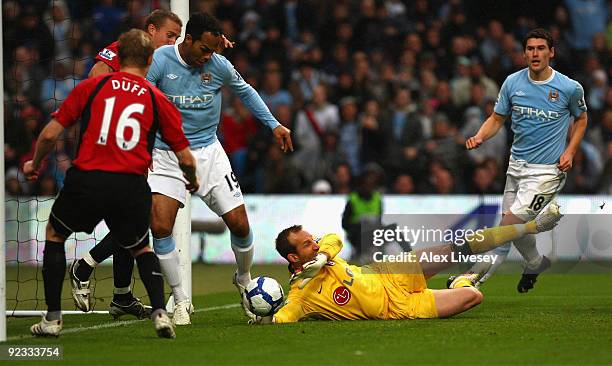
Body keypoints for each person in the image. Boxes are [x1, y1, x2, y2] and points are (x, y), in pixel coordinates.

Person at [74, 12, 293, 326]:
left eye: (212, 50)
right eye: (204, 49)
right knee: (160, 227)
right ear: (187, 40)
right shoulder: (161, 60)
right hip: (166, 154)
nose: (208, 56)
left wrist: (274, 125)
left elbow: (245, 91)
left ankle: (243, 278)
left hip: (208, 152)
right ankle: (180, 299)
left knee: (240, 225)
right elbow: (138, 95)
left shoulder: (218, 64)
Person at [23, 29, 199, 338]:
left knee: (55, 234)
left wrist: (34, 164)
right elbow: (185, 157)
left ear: (119, 57)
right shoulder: (157, 98)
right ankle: (160, 312)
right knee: (141, 247)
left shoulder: (91, 87)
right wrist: (193, 180)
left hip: (87, 179)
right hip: (131, 184)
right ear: (149, 59)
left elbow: (50, 134)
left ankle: (52, 318)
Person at [252, 204, 561, 324]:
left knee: (459, 246)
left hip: (390, 273)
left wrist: (321, 256)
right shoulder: (301, 293)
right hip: (396, 310)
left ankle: (533, 226)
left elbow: (334, 238)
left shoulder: (324, 251)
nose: (315, 244)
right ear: (293, 258)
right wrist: (263, 317)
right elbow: (285, 317)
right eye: (307, 244)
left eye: (312, 239)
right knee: (473, 298)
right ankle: (462, 282)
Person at [464, 28, 588, 292]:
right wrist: (479, 136)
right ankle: (534, 262)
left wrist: (570, 151)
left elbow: (582, 118)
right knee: (513, 226)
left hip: (547, 172)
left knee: (507, 227)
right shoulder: (512, 83)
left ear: (551, 53)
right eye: (530, 48)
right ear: (524, 53)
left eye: (541, 48)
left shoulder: (568, 88)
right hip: (516, 167)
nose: (535, 53)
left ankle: (471, 280)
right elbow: (497, 119)